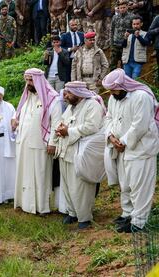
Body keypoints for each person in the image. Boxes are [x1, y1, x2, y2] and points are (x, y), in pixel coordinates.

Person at [102, 69, 159, 233]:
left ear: (122, 85)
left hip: (141, 149)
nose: (111, 93)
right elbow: (109, 118)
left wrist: (124, 142)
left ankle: (139, 222)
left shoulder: (141, 97)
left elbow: (140, 125)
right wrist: (111, 137)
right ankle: (128, 214)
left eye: (114, 89)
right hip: (121, 148)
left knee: (139, 186)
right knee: (126, 184)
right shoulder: (114, 98)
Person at [54, 81, 105, 229]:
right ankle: (72, 213)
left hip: (81, 152)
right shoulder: (71, 107)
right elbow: (63, 122)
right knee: (68, 185)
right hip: (65, 151)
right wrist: (60, 129)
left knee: (81, 187)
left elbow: (92, 126)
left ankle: (84, 218)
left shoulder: (92, 105)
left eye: (68, 93)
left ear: (78, 93)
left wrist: (68, 131)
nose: (66, 96)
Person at [12, 68, 62, 214]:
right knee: (24, 174)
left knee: (40, 175)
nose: (28, 83)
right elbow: (18, 113)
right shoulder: (27, 96)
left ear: (38, 80)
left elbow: (56, 122)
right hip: (24, 144)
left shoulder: (52, 98)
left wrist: (52, 142)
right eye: (26, 80)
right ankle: (24, 204)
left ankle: (41, 206)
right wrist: (14, 120)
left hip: (41, 144)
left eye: (31, 80)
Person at [110, 0, 133, 70]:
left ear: (127, 7)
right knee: (112, 64)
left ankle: (123, 79)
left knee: (124, 64)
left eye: (124, 7)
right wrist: (111, 42)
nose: (122, 9)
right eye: (121, 8)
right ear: (118, 8)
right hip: (115, 44)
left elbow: (134, 30)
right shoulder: (115, 17)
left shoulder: (132, 17)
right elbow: (112, 30)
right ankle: (112, 79)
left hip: (126, 45)